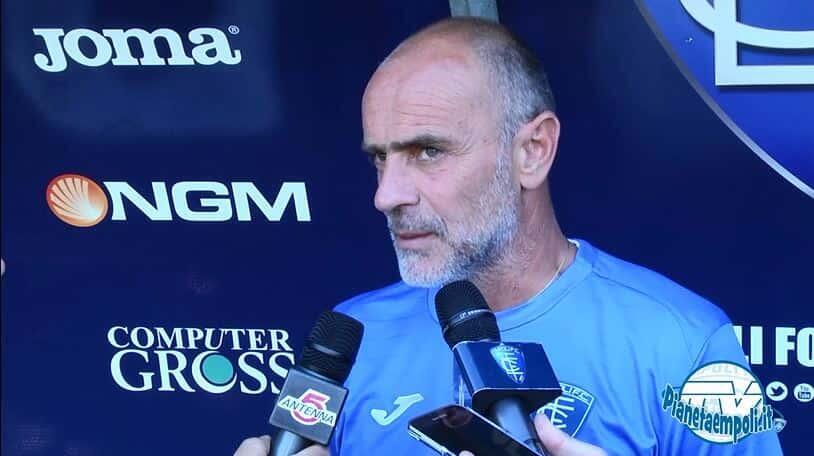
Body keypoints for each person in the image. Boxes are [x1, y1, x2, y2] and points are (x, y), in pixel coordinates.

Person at [235, 17, 783, 456]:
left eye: (428, 151)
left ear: (532, 152)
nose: (387, 194)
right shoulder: (352, 338)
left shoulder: (683, 343)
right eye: (381, 157)